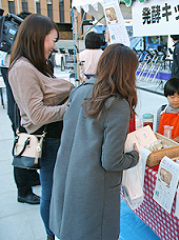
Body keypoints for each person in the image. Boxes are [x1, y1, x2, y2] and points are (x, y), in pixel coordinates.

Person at [49, 44, 140, 240]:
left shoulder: (81, 90)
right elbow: (111, 161)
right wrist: (134, 156)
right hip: (94, 190)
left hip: (69, 177)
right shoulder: (117, 104)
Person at [8, 14, 74, 240]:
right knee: (51, 192)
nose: (54, 46)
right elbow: (35, 114)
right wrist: (70, 107)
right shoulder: (23, 68)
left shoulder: (34, 65)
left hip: (54, 137)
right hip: (46, 140)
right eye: (52, 40)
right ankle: (52, 234)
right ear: (37, 38)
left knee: (54, 191)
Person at [0, 11, 42, 205]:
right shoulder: (17, 58)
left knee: (29, 142)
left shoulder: (14, 52)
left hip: (20, 106)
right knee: (23, 142)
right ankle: (23, 191)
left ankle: (31, 176)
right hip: (20, 108)